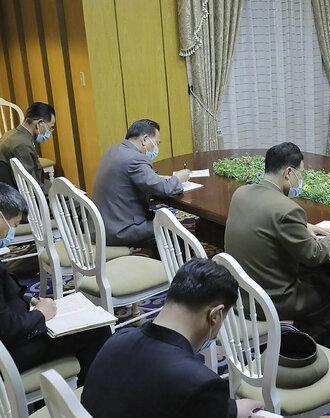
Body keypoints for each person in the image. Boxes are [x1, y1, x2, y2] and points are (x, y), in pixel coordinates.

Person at [81, 257, 263, 418]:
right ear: (214, 316)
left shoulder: (117, 340)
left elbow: (147, 396)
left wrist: (227, 410)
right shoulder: (201, 382)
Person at [224, 142, 330, 326]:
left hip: (238, 294)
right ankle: (315, 342)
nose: (301, 180)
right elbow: (314, 255)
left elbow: (265, 216)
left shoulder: (241, 193)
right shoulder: (288, 210)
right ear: (288, 173)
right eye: (301, 174)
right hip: (269, 302)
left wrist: (303, 225)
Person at [0, 183, 110, 384]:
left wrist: (29, 299)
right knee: (96, 330)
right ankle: (87, 400)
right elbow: (7, 328)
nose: (12, 233)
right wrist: (40, 315)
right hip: (9, 356)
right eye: (14, 225)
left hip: (11, 341)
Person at [92, 119, 190, 249]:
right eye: (156, 143)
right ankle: (175, 268)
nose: (157, 148)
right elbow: (164, 189)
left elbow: (131, 176)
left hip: (103, 224)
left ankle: (159, 264)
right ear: (145, 139)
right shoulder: (136, 159)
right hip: (119, 230)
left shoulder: (114, 150)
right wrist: (178, 178)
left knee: (163, 220)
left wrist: (160, 177)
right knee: (174, 232)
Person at [0, 102, 56, 194]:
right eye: (50, 128)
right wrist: (60, 191)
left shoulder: (12, 135)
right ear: (40, 123)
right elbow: (33, 186)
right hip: (22, 200)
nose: (49, 132)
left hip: (11, 193)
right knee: (80, 204)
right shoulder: (22, 145)